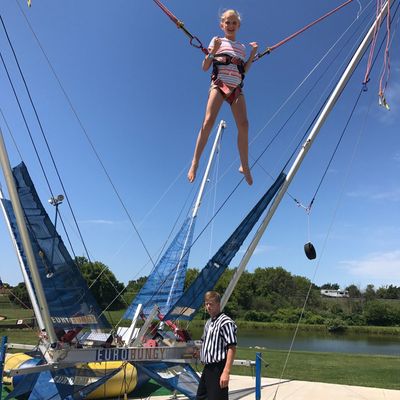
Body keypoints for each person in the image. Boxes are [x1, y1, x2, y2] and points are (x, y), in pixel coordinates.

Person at [188, 9, 258, 186]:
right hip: (219, 84)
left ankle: (244, 165)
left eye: (234, 22)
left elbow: (244, 71)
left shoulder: (242, 48)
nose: (230, 25)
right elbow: (205, 66)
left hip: (236, 88)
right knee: (208, 121)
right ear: (222, 25)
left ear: (238, 25)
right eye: (227, 22)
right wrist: (214, 50)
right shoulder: (216, 40)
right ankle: (195, 162)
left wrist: (252, 54)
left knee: (244, 125)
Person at [196, 291, 237, 400]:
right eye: (206, 304)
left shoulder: (226, 322)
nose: (208, 307)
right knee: (201, 397)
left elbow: (232, 347)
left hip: (218, 368)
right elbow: (206, 342)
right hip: (208, 368)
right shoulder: (209, 322)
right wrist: (200, 353)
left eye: (211, 304)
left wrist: (226, 372)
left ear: (218, 304)